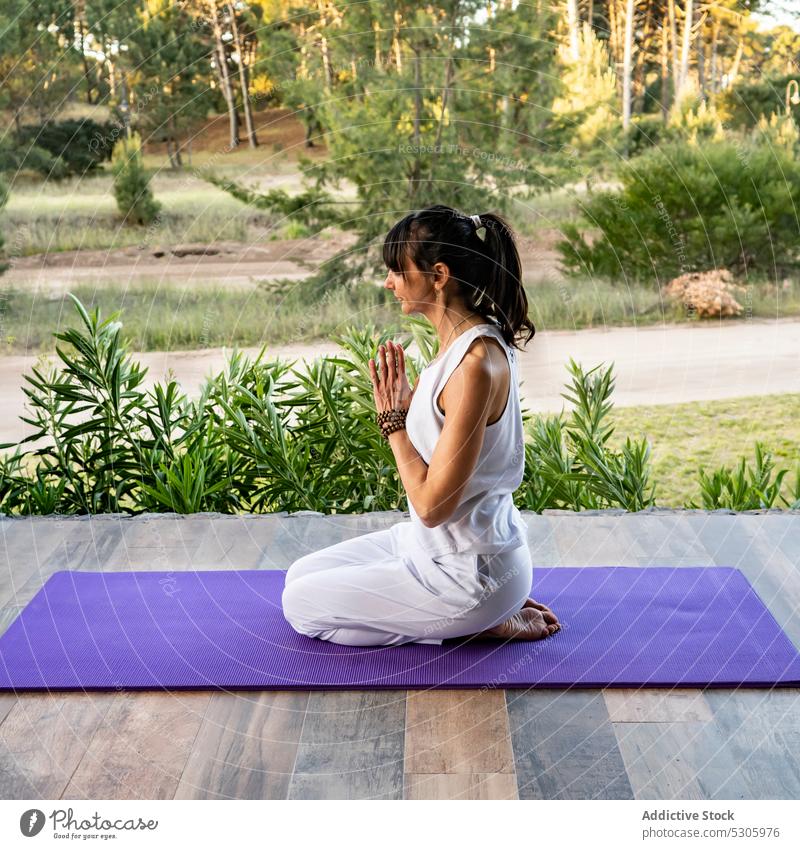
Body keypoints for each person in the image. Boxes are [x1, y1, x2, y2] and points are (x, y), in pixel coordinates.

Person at [281, 204, 561, 646]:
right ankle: (481, 615)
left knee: (300, 606)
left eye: (396, 270)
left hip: (468, 574)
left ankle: (485, 619)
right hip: (434, 550)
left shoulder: (475, 364)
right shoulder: (464, 341)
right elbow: (449, 442)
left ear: (439, 274)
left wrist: (393, 425)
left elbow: (433, 507)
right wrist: (415, 410)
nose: (388, 282)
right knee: (300, 574)